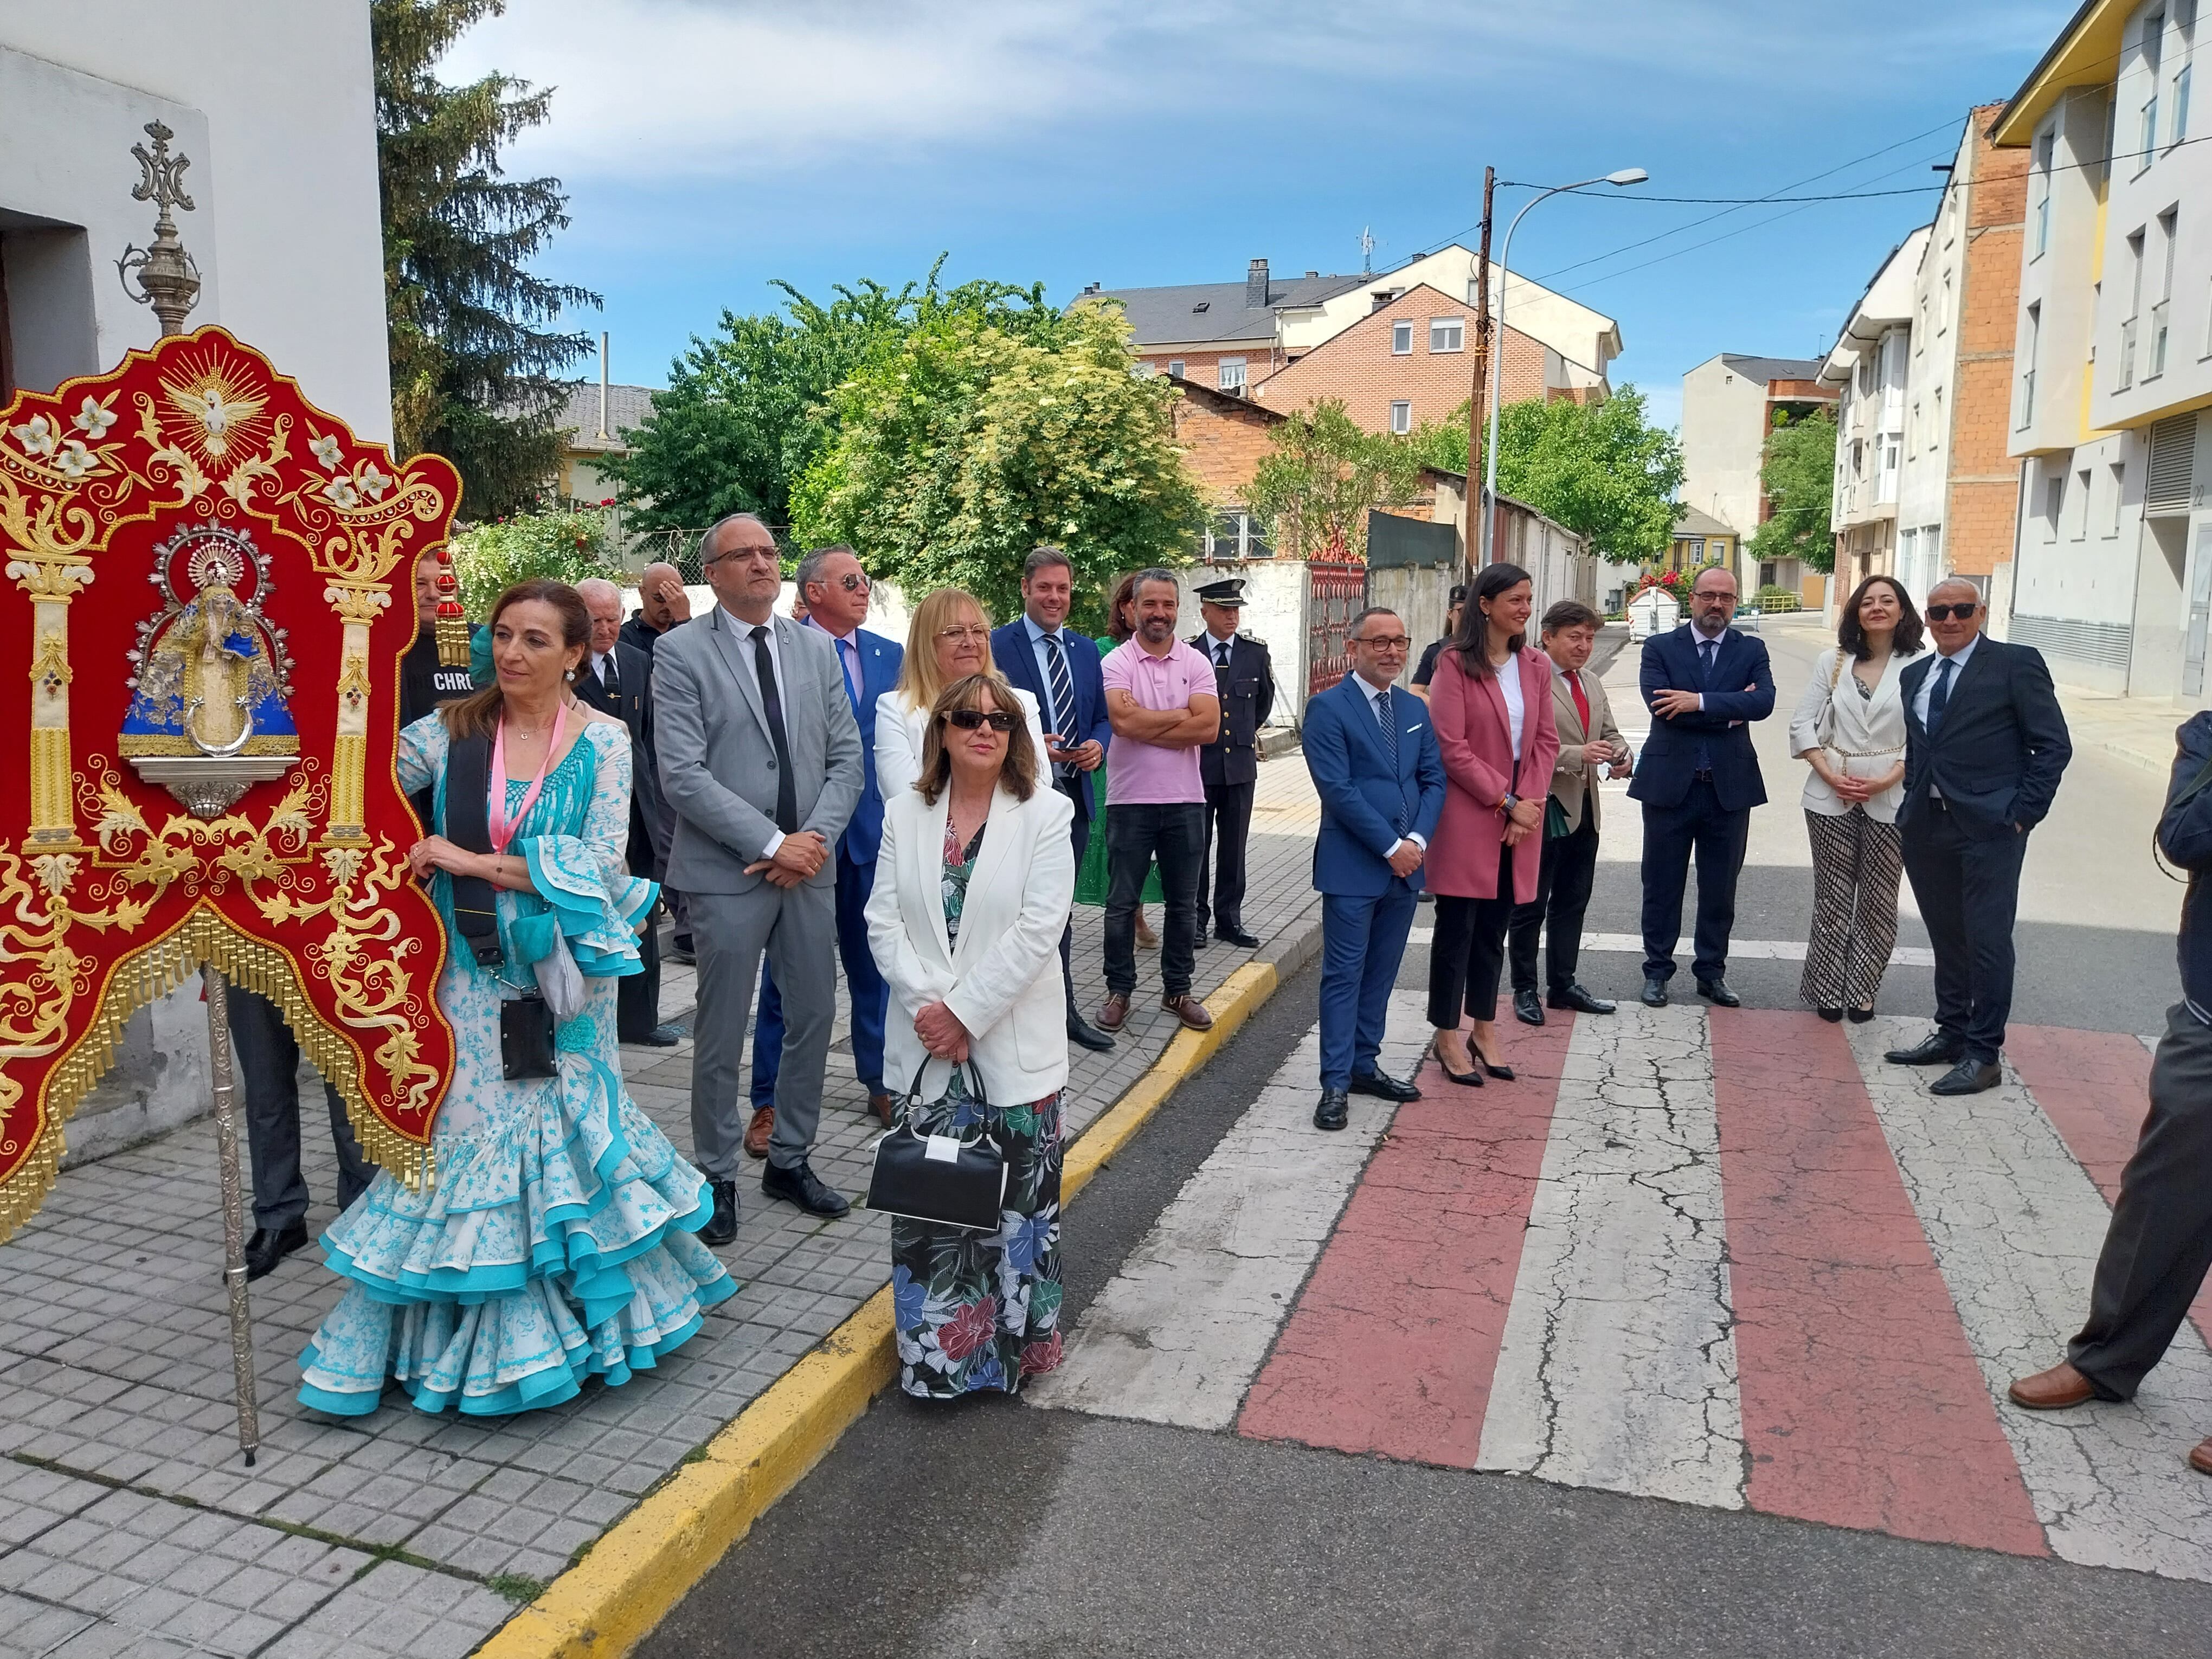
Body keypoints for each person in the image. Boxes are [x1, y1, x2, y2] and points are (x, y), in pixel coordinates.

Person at [296, 579, 733, 1416]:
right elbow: (358, 778)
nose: (511, 654)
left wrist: (473, 861)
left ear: (576, 654)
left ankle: (576, 1330)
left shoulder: (604, 741)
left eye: (536, 640)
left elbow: (602, 865)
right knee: (468, 1135)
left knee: (566, 1131)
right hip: (466, 967)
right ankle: (457, 1333)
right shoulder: (454, 729)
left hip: (563, 977)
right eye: (502, 635)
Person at [2008, 710, 2212, 1476]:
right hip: (2210, 1021)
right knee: (2161, 1198)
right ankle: (2107, 1360)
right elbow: (2185, 837)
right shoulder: (2209, 735)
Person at [655, 512, 865, 1237]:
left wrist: (809, 842)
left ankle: (791, 1158)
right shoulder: (681, 653)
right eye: (741, 555)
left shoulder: (814, 650)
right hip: (727, 870)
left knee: (812, 1017)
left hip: (808, 869)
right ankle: (716, 1175)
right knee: (720, 1029)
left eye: (769, 552)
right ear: (710, 573)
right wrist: (775, 841)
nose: (760, 564)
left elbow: (848, 761)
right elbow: (682, 775)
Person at [866, 673, 1075, 1397]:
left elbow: (1040, 928)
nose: (983, 730)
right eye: (966, 718)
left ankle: (1014, 1361)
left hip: (1012, 1050)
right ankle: (941, 1368)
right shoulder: (905, 813)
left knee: (1018, 1216)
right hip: (929, 1053)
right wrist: (934, 1011)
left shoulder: (1048, 813)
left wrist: (966, 1015)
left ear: (1015, 735)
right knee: (936, 1212)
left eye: (999, 720)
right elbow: (882, 920)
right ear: (943, 732)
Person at [1884, 577, 2071, 1095]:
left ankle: (1984, 1053)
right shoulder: (1916, 674)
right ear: (1926, 618)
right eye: (1939, 612)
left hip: (1991, 827)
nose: (1950, 620)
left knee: (1987, 939)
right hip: (1928, 825)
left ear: (1981, 612)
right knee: (1948, 936)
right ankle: (1952, 1031)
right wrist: (1910, 803)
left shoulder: (2015, 664)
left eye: (1961, 609)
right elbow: (1924, 750)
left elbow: (2052, 746)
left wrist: (2022, 814)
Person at [750, 547, 904, 1127]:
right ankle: (768, 1101)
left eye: (866, 579)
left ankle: (882, 1080)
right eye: (850, 581)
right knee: (786, 979)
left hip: (869, 836)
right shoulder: (779, 648)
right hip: (802, 841)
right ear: (814, 592)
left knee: (875, 967)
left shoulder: (892, 655)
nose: (865, 589)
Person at [1303, 608, 1445, 1129]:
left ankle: (1366, 1065)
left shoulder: (1413, 707)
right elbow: (1337, 790)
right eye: (1379, 642)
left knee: (1381, 974)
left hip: (1406, 867)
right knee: (1343, 976)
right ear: (1353, 648)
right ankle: (1335, 1083)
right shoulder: (1327, 708)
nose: (1391, 651)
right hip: (1354, 866)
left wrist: (1417, 840)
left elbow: (1434, 780)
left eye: (1399, 642)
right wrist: (1391, 846)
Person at [1424, 564, 1559, 1084]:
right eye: (1515, 600)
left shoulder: (1536, 666)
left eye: (1529, 599)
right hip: (1471, 815)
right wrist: (1506, 802)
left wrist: (1528, 804)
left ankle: (1484, 1026)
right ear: (1486, 605)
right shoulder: (1454, 664)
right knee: (1456, 931)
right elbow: (1451, 748)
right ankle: (1446, 1035)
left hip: (1520, 816)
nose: (1525, 608)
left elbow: (1545, 741)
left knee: (1494, 930)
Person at [1628, 565, 1774, 1009]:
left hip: (1728, 788)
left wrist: (1698, 701)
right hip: (1670, 785)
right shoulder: (1659, 648)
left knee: (1720, 888)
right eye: (1708, 596)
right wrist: (1732, 708)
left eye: (1726, 598)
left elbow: (1763, 703)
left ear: (1735, 602)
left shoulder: (1751, 648)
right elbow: (1660, 705)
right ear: (1691, 599)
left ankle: (1712, 973)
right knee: (1661, 885)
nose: (1716, 605)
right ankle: (1657, 972)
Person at [990, 548, 1117, 1052]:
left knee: (1057, 913)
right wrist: (1024, 746)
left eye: (1062, 589)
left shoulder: (1085, 651)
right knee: (1010, 914)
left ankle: (1061, 1012)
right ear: (1025, 589)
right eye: (1044, 588)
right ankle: (1008, 1014)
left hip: (1073, 804)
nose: (1054, 598)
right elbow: (981, 717)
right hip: (1016, 800)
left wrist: (1098, 745)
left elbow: (1102, 717)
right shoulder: (998, 646)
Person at [1789, 575, 1926, 1024]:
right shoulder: (1833, 661)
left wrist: (1889, 779)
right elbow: (1803, 723)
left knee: (1879, 898)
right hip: (1830, 793)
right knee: (1832, 895)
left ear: (1903, 611)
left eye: (1888, 601)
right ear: (1856, 613)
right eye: (1868, 602)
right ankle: (1829, 989)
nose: (1878, 608)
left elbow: (1928, 735)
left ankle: (1864, 990)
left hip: (1894, 793)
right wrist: (1828, 772)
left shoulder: (1920, 666)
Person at [1099, 570, 1220, 1036]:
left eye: (1168, 605)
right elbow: (1122, 724)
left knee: (1183, 905)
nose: (1160, 614)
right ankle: (1119, 991)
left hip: (1186, 800)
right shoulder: (1117, 662)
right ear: (1132, 608)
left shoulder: (1196, 662)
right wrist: (1180, 715)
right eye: (1151, 604)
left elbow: (1208, 728)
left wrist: (1147, 720)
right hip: (1129, 801)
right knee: (1121, 904)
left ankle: (1178, 990)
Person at [1507, 599, 1631, 1025]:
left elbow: (1611, 733)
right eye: (1574, 637)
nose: (1583, 646)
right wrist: (1578, 755)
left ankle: (1562, 984)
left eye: (1590, 638)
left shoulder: (1592, 682)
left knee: (1573, 902)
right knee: (1530, 905)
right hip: (1542, 808)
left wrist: (1621, 754)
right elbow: (1520, 746)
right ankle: (1524, 988)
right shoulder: (1528, 679)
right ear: (1548, 637)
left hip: (1586, 811)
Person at [571, 579, 679, 1048]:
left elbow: (648, 737)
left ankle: (640, 1019)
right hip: (587, 807)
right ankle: (588, 1018)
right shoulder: (565, 666)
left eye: (613, 618)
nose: (607, 628)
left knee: (643, 909)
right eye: (595, 620)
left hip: (639, 808)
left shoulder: (637, 661)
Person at [878, 588, 1045, 801]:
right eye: (955, 633)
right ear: (926, 644)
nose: (970, 643)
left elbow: (1036, 785)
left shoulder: (1021, 704)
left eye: (978, 632)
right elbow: (904, 799)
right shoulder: (896, 709)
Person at [1074, 573, 1164, 950]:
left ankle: (1137, 910)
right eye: (1133, 603)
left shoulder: (1161, 650)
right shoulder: (1101, 650)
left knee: (1140, 839)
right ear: (1123, 608)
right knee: (1109, 837)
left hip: (1147, 755)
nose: (1138, 610)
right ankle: (1122, 911)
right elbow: (1109, 708)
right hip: (1108, 757)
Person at [1188, 576, 1275, 949]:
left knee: (1233, 848)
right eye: (1224, 610)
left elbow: (1262, 704)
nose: (1231, 617)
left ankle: (1229, 920)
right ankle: (1195, 920)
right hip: (1199, 766)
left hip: (1239, 766)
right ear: (1205, 610)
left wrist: (1242, 734)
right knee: (1197, 847)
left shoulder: (1255, 654)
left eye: (1236, 610)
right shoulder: (1189, 654)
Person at [1410, 584, 1467, 703]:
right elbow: (1415, 691)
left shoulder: (1485, 648)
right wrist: (1440, 708)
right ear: (1450, 614)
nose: (1467, 616)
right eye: (1462, 611)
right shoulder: (1436, 650)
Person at [620, 562, 690, 657]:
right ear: (642, 593)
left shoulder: (685, 629)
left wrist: (684, 619)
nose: (668, 605)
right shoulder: (626, 638)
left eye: (674, 599)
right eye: (660, 598)